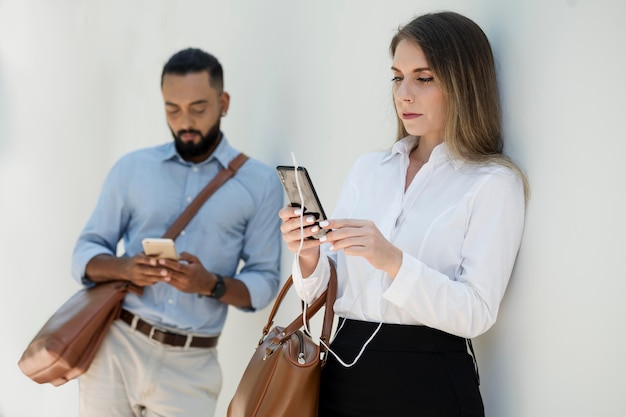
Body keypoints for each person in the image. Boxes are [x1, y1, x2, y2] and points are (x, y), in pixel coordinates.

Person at [279, 11, 528, 417]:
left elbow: (476, 312)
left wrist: (392, 259)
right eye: (397, 77)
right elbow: (324, 293)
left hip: (428, 380)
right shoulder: (369, 169)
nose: (404, 94)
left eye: (423, 78)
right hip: (343, 372)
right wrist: (308, 254)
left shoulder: (493, 182)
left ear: (463, 84)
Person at [72, 48, 283, 417]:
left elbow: (264, 282)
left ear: (224, 102)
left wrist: (210, 284)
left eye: (198, 109)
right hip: (116, 349)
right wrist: (127, 268)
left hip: (192, 367)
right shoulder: (132, 168)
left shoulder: (261, 182)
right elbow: (84, 254)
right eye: (173, 109)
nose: (185, 121)